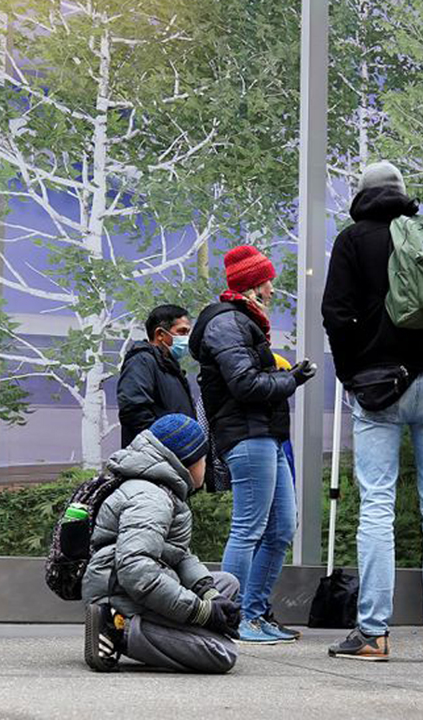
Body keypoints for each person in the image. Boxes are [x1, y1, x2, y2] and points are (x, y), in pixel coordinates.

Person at [321, 161, 423, 663]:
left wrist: (352, 374)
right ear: (402, 194)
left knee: (377, 505)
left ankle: (373, 634)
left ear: (363, 195)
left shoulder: (354, 240)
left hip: (377, 387)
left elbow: (336, 315)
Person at [189, 245, 316, 645]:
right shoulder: (228, 323)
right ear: (253, 284)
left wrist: (284, 376)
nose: (273, 289)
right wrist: (292, 379)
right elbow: (244, 384)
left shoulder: (244, 321)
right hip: (247, 433)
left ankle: (255, 614)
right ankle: (232, 616)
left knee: (281, 527)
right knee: (248, 529)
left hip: (265, 433)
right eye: (269, 281)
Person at [82, 414, 242, 673]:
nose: (207, 465)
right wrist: (202, 612)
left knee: (226, 585)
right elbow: (137, 571)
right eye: (204, 458)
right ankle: (117, 630)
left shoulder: (163, 488)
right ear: (188, 462)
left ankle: (167, 629)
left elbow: (178, 555)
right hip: (119, 594)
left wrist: (209, 594)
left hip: (137, 585)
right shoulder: (151, 498)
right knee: (222, 653)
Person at [117, 305, 196, 448]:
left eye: (188, 333)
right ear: (160, 334)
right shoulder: (141, 361)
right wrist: (164, 444)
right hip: (155, 459)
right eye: (182, 332)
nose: (187, 339)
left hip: (176, 458)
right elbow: (133, 410)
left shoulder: (171, 367)